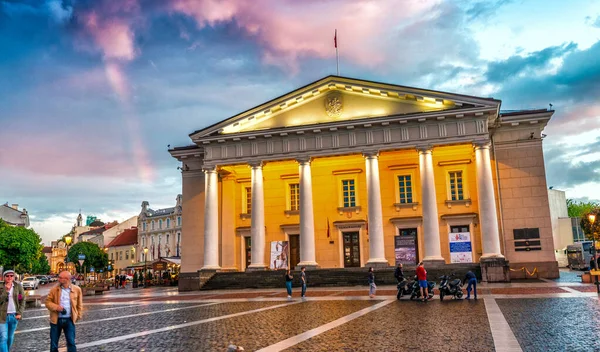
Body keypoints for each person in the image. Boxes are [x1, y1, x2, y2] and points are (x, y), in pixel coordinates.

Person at [45, 271, 83, 352]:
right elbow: (47, 302)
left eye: (61, 277)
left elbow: (79, 305)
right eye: (59, 277)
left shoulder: (77, 289)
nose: (59, 279)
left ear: (67, 279)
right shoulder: (54, 290)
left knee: (71, 342)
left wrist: (78, 316)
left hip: (69, 319)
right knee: (54, 344)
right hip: (56, 320)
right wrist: (56, 307)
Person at [0, 270, 25, 352]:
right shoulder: (1, 286)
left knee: (10, 337)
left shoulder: (18, 286)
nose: (9, 277)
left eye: (11, 275)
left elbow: (22, 300)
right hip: (2, 316)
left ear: (14, 277)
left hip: (14, 315)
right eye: (7, 276)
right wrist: (6, 291)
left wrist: (20, 313)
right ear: (4, 277)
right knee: (3, 337)